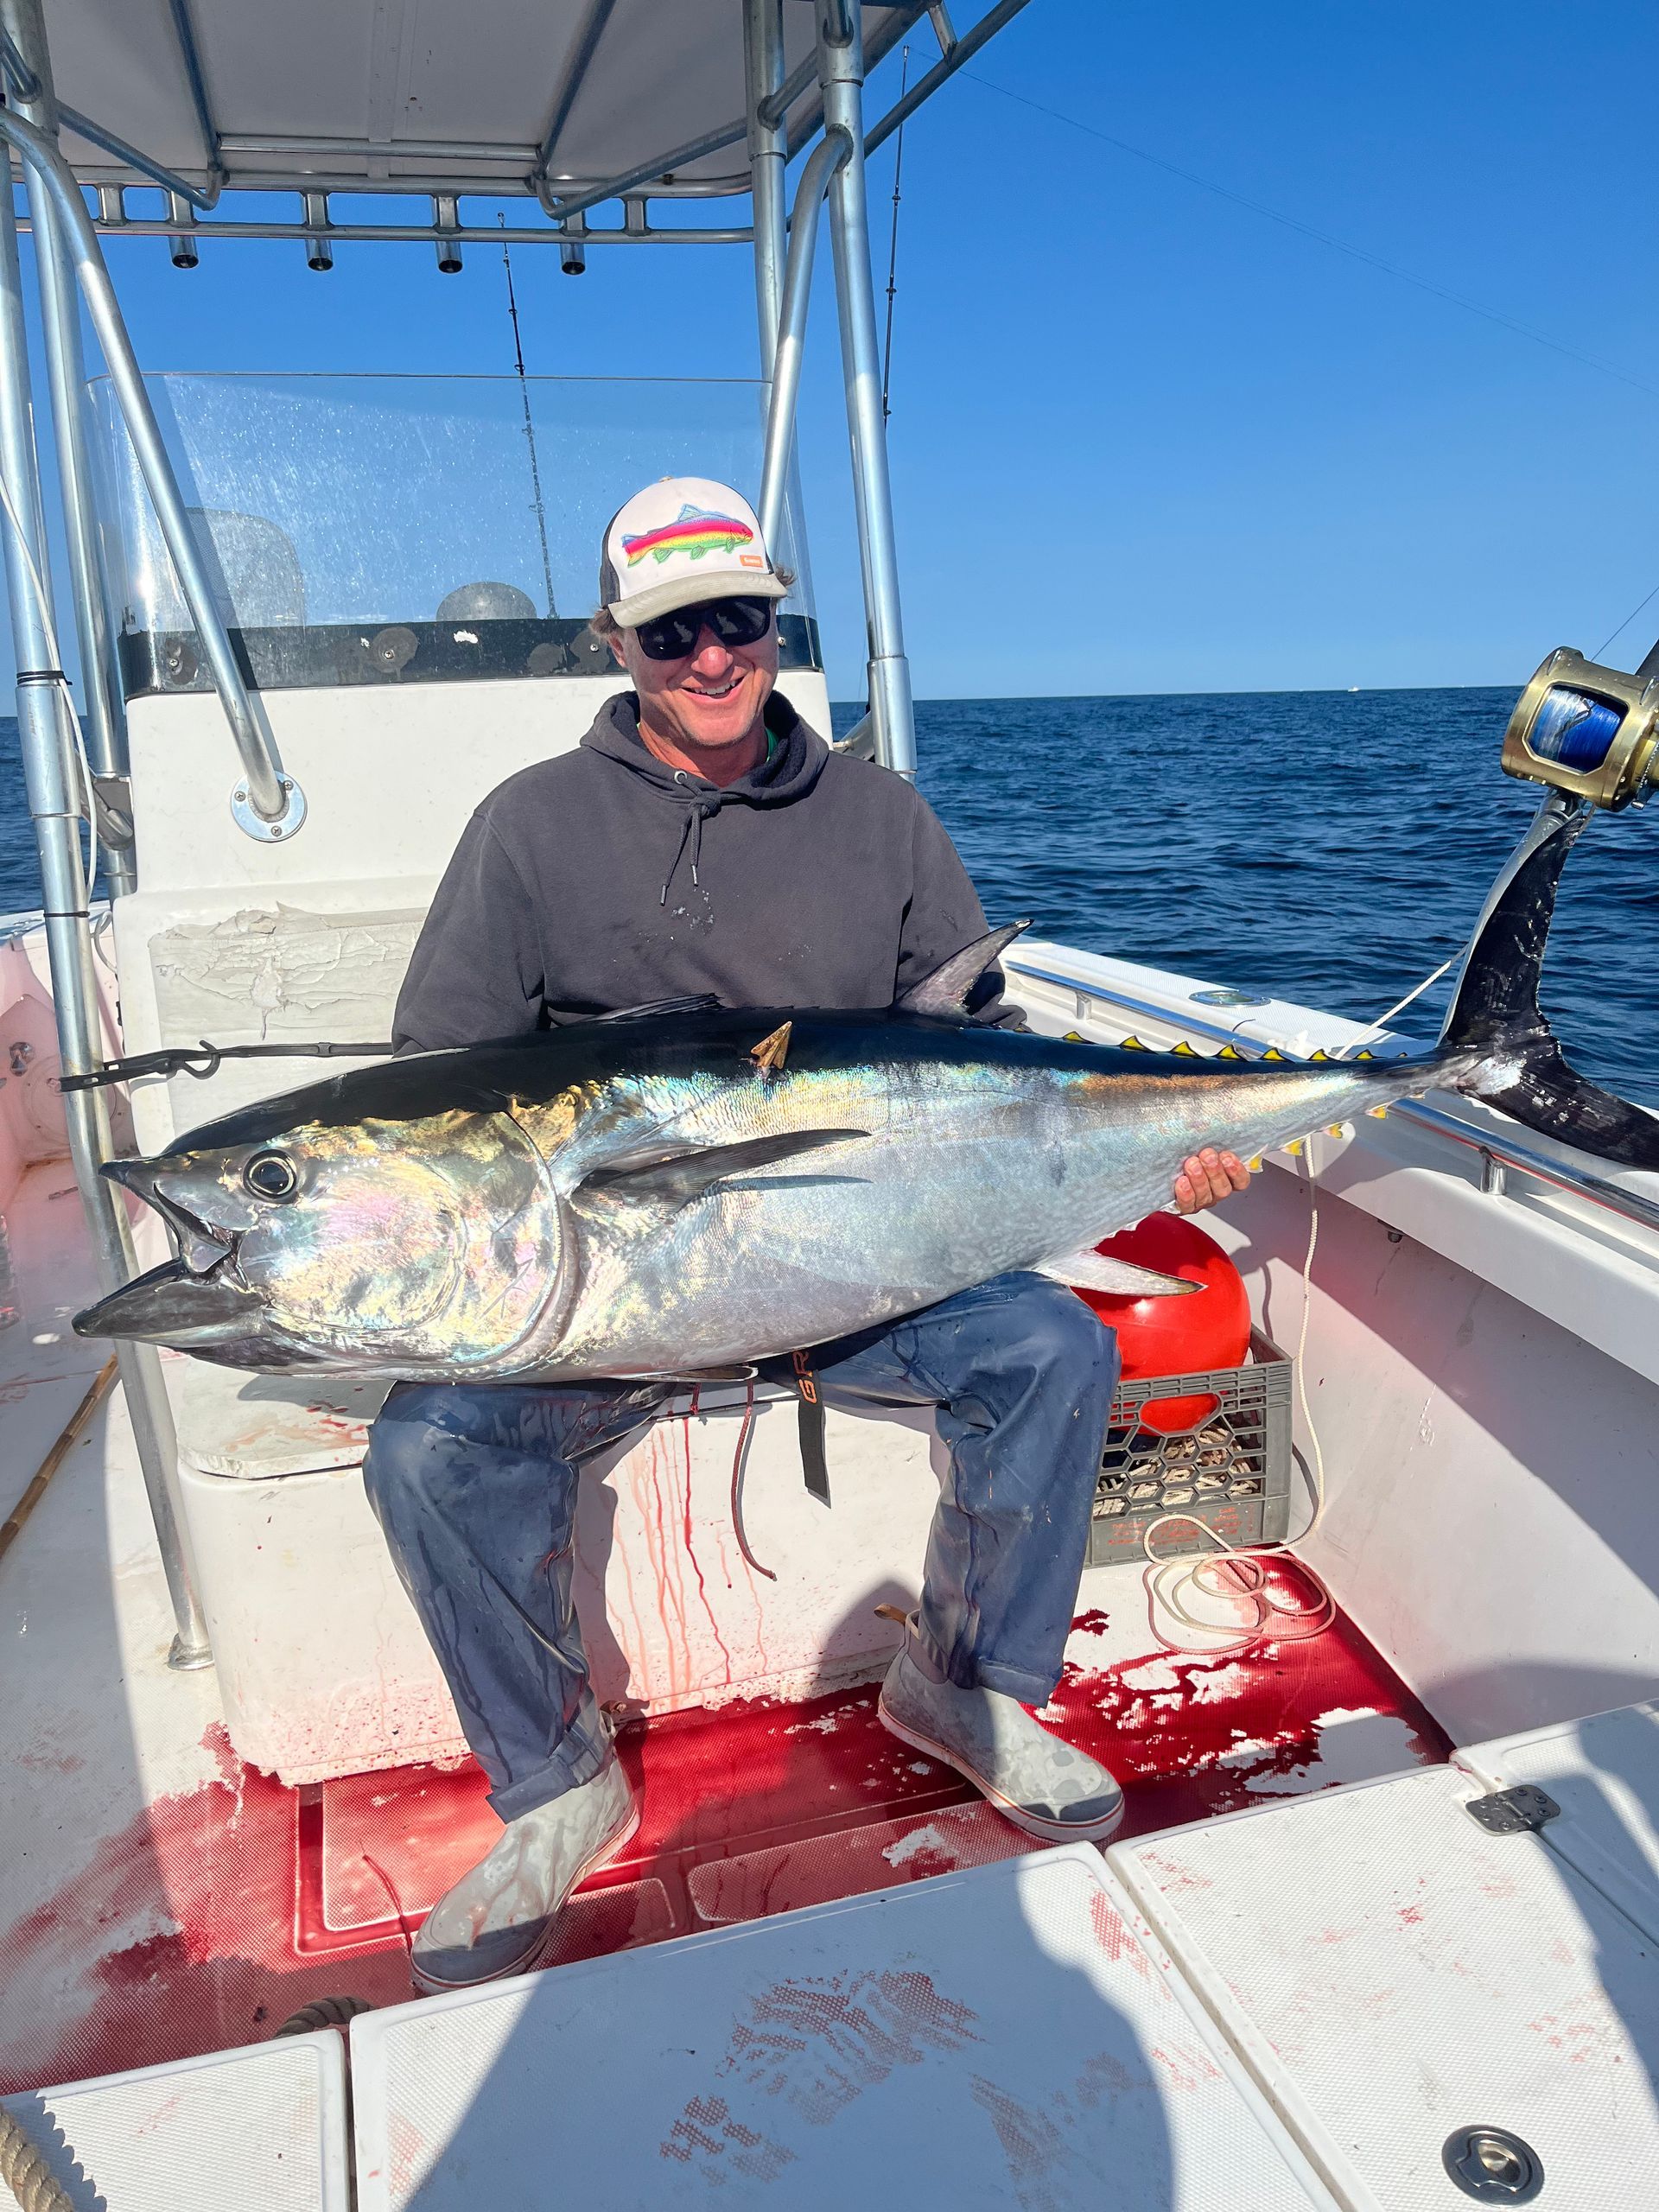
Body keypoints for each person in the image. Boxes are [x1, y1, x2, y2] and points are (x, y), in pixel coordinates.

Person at [362, 476, 1249, 1992]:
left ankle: (960, 1686)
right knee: (428, 1448)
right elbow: (441, 1083)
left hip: (860, 1266)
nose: (712, 656)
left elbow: (977, 1055)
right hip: (609, 1295)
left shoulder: (881, 816)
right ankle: (558, 1783)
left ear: (777, 623)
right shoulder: (531, 827)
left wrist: (1155, 1153)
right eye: (671, 632)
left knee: (1047, 1348)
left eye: (739, 620)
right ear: (615, 641)